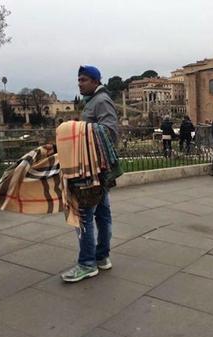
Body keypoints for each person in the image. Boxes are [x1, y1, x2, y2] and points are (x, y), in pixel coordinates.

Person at [61, 65, 119, 283]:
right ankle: (102, 257)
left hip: (92, 170)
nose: (79, 83)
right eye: (79, 80)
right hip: (96, 169)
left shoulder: (101, 101)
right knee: (102, 214)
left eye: (84, 80)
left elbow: (110, 131)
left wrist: (76, 129)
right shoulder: (93, 101)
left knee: (84, 215)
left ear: (95, 81)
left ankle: (87, 264)